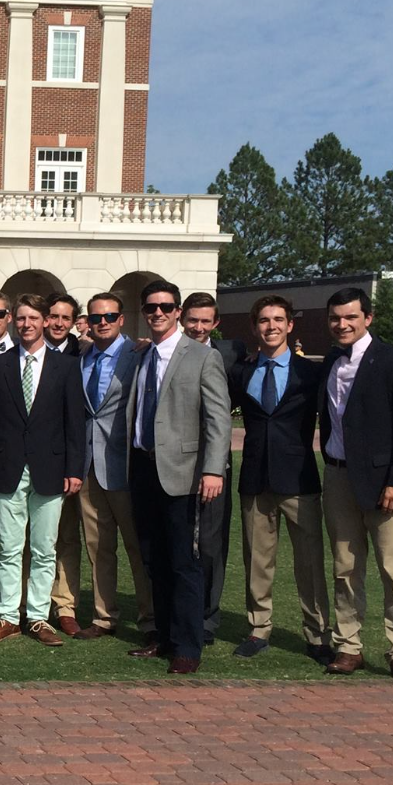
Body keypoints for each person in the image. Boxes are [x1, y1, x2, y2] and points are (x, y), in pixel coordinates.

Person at [123, 280, 232, 675]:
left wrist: (212, 469)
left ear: (177, 310)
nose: (158, 313)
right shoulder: (142, 355)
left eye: (166, 307)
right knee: (154, 558)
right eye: (151, 307)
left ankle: (188, 645)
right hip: (143, 467)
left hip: (184, 473)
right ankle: (165, 637)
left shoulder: (201, 357)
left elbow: (218, 418)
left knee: (184, 560)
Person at [318, 287, 393, 682]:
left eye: (350, 316)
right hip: (338, 476)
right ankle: (348, 645)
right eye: (335, 317)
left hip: (386, 485)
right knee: (345, 568)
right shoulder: (331, 360)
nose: (342, 324)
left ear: (368, 317)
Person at [229, 295, 329, 663]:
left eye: (278, 320)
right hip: (255, 478)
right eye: (263, 321)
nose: (270, 326)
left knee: (310, 562)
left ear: (290, 325)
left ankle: (317, 634)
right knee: (257, 559)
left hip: (300, 478)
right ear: (255, 327)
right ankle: (258, 628)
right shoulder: (243, 371)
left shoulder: (311, 373)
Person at [0, 295, 84, 648]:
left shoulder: (66, 367)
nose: (26, 325)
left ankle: (38, 617)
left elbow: (75, 422)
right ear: (13, 321)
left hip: (50, 468)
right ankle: (8, 615)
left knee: (44, 548)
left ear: (44, 322)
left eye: (33, 318)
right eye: (21, 318)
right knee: (9, 548)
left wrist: (74, 468)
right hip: (7, 466)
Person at [76, 293, 154, 642]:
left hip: (125, 466)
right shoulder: (81, 357)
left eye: (109, 316)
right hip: (89, 465)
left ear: (122, 319)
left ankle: (150, 617)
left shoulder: (138, 355)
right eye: (95, 317)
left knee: (137, 546)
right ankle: (104, 616)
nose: (102, 322)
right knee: (98, 547)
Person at [180, 291, 244, 647]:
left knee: (209, 543)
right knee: (177, 539)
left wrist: (216, 467)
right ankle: (177, 612)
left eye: (206, 321)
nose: (199, 327)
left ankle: (207, 616)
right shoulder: (166, 351)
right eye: (193, 320)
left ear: (216, 323)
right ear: (182, 319)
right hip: (173, 462)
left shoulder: (231, 354)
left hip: (213, 464)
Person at [43, 293, 84, 633]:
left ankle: (65, 605)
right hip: (30, 463)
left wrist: (74, 467)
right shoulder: (24, 350)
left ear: (73, 322)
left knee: (66, 538)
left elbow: (76, 420)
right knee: (31, 539)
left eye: (65, 318)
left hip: (65, 462)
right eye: (53, 316)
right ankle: (32, 604)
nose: (58, 323)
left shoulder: (82, 354)